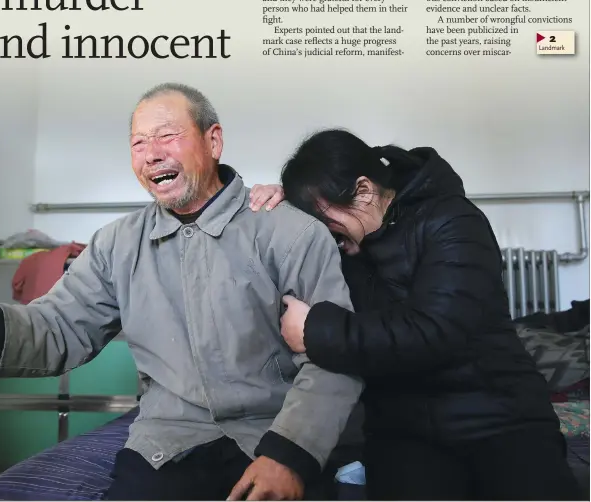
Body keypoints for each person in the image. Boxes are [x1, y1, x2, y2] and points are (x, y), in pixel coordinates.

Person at [0, 86, 365, 501]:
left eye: (167, 136)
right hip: (166, 442)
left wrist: (291, 455)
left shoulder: (290, 231)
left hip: (273, 434)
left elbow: (331, 358)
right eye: (138, 144)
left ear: (213, 142)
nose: (152, 155)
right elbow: (57, 328)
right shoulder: (117, 244)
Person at [249, 128, 584, 501]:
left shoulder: (453, 221)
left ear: (364, 190)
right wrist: (282, 211)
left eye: (323, 215)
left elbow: (436, 331)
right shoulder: (346, 242)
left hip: (499, 418)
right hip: (401, 430)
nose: (326, 232)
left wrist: (315, 330)